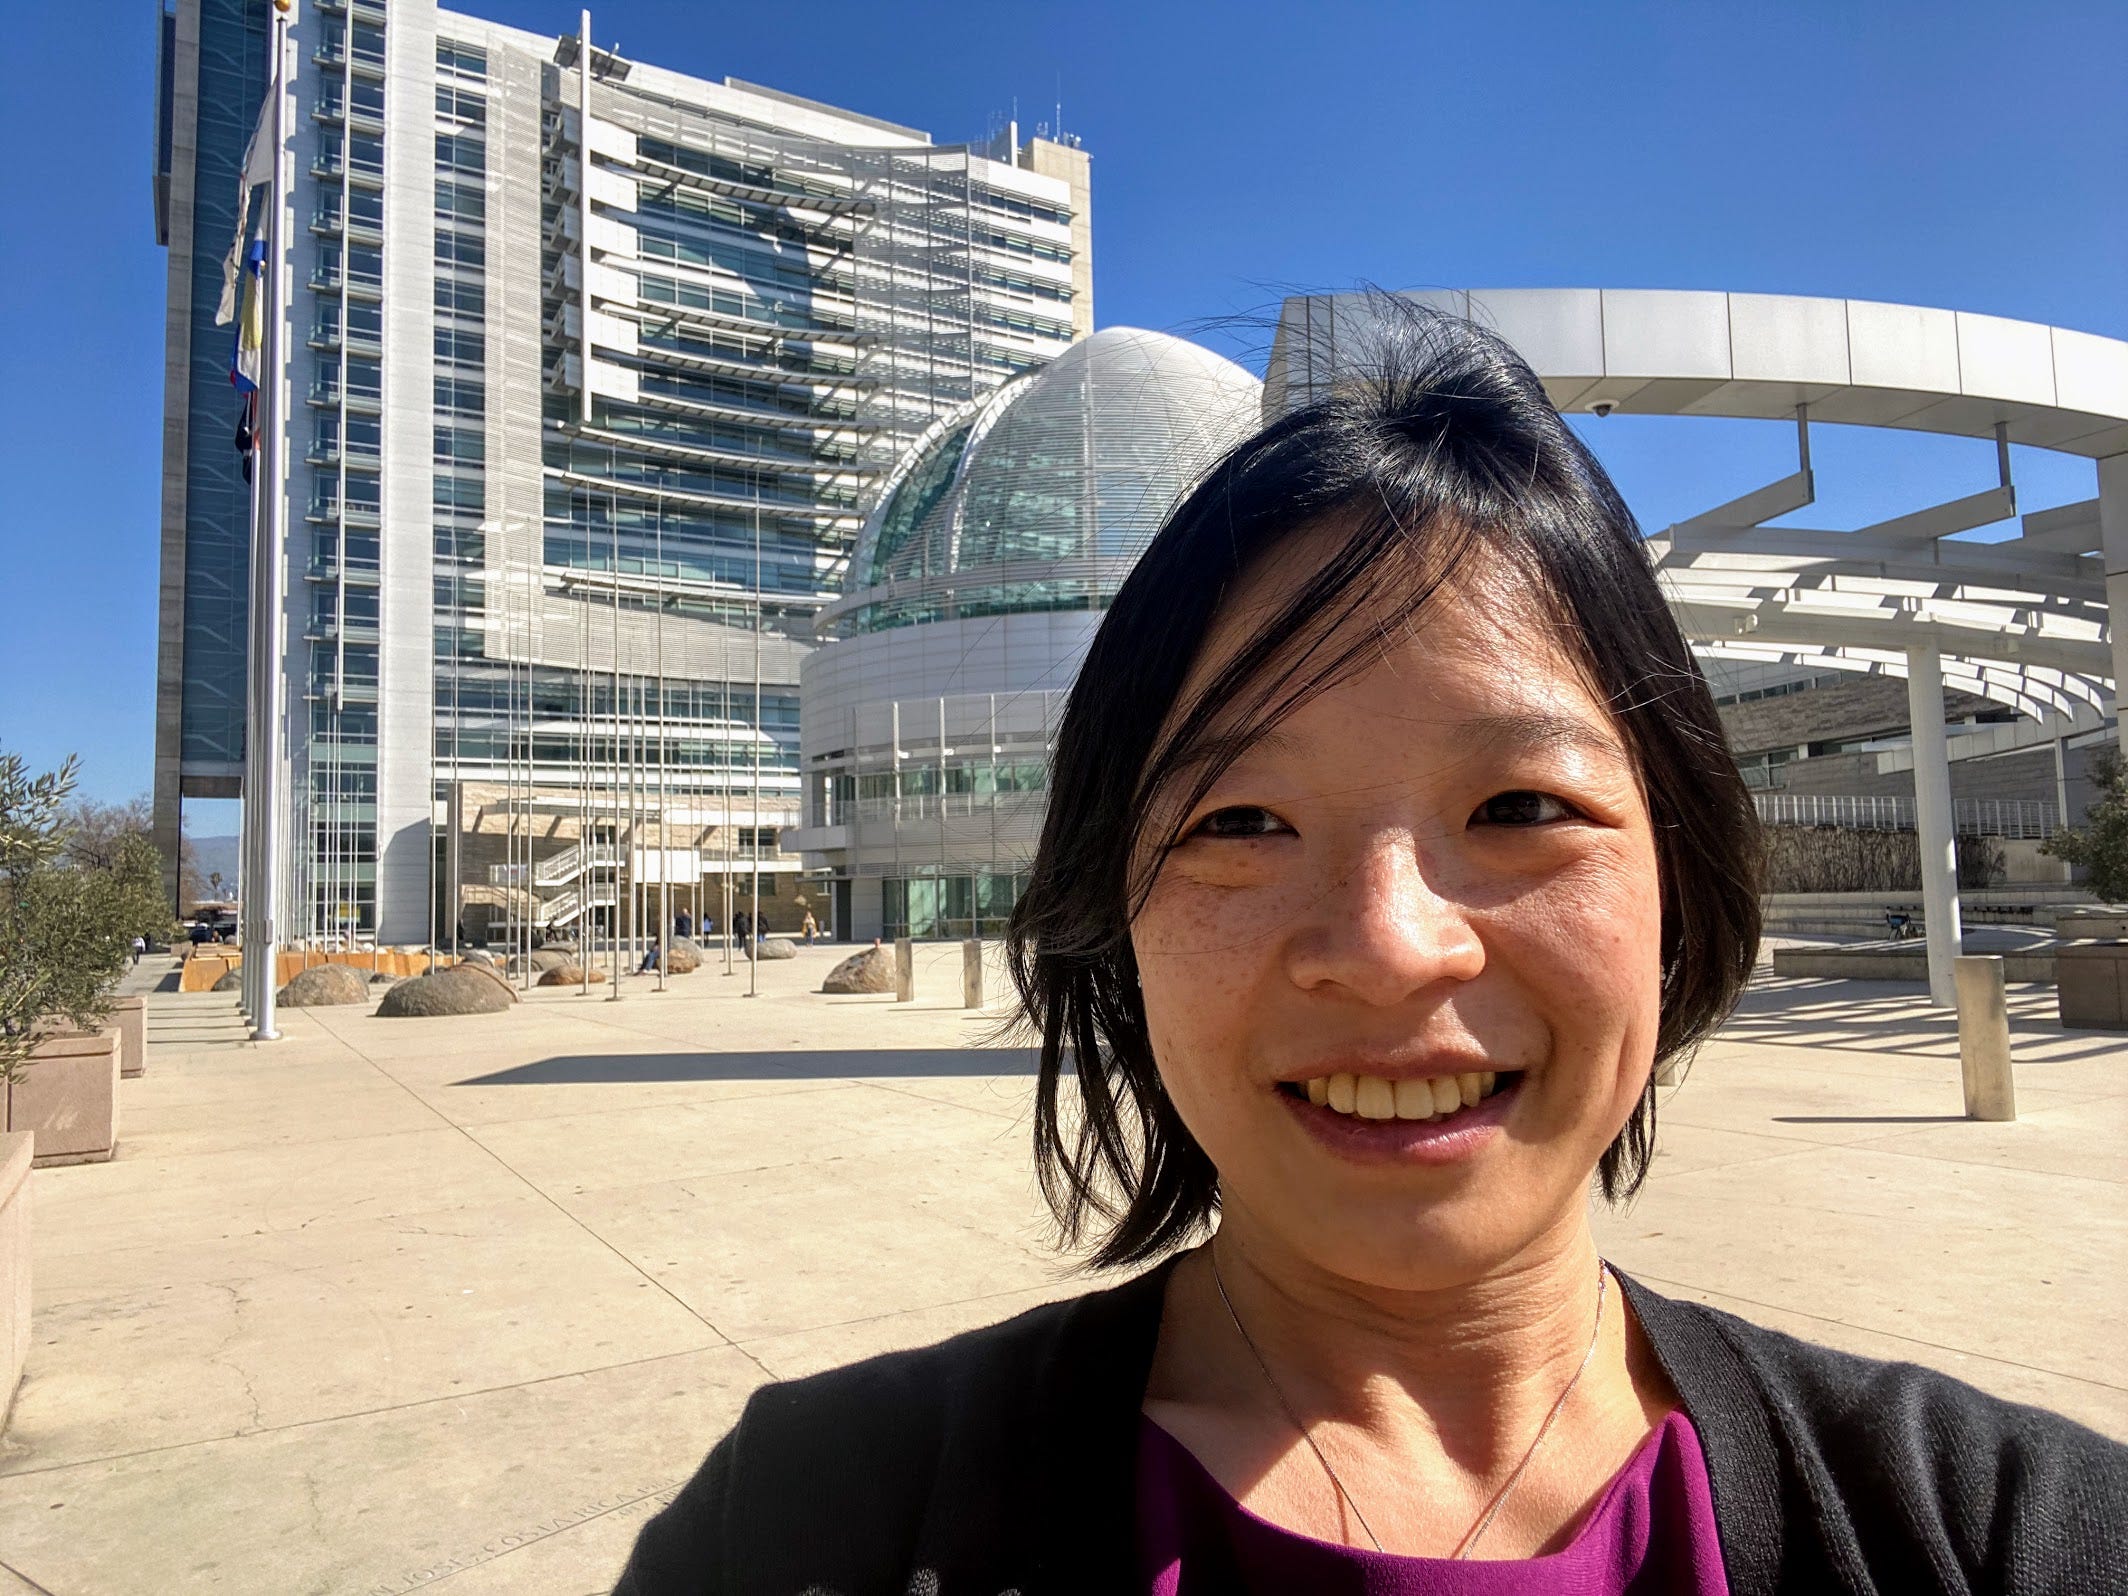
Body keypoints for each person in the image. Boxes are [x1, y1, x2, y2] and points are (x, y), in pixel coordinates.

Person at [615, 305, 2127, 1593]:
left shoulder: (1994, 1535)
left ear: (1682, 871)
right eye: (1242, 820)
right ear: (1110, 903)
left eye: (1523, 803)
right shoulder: (806, 1526)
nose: (1390, 949)